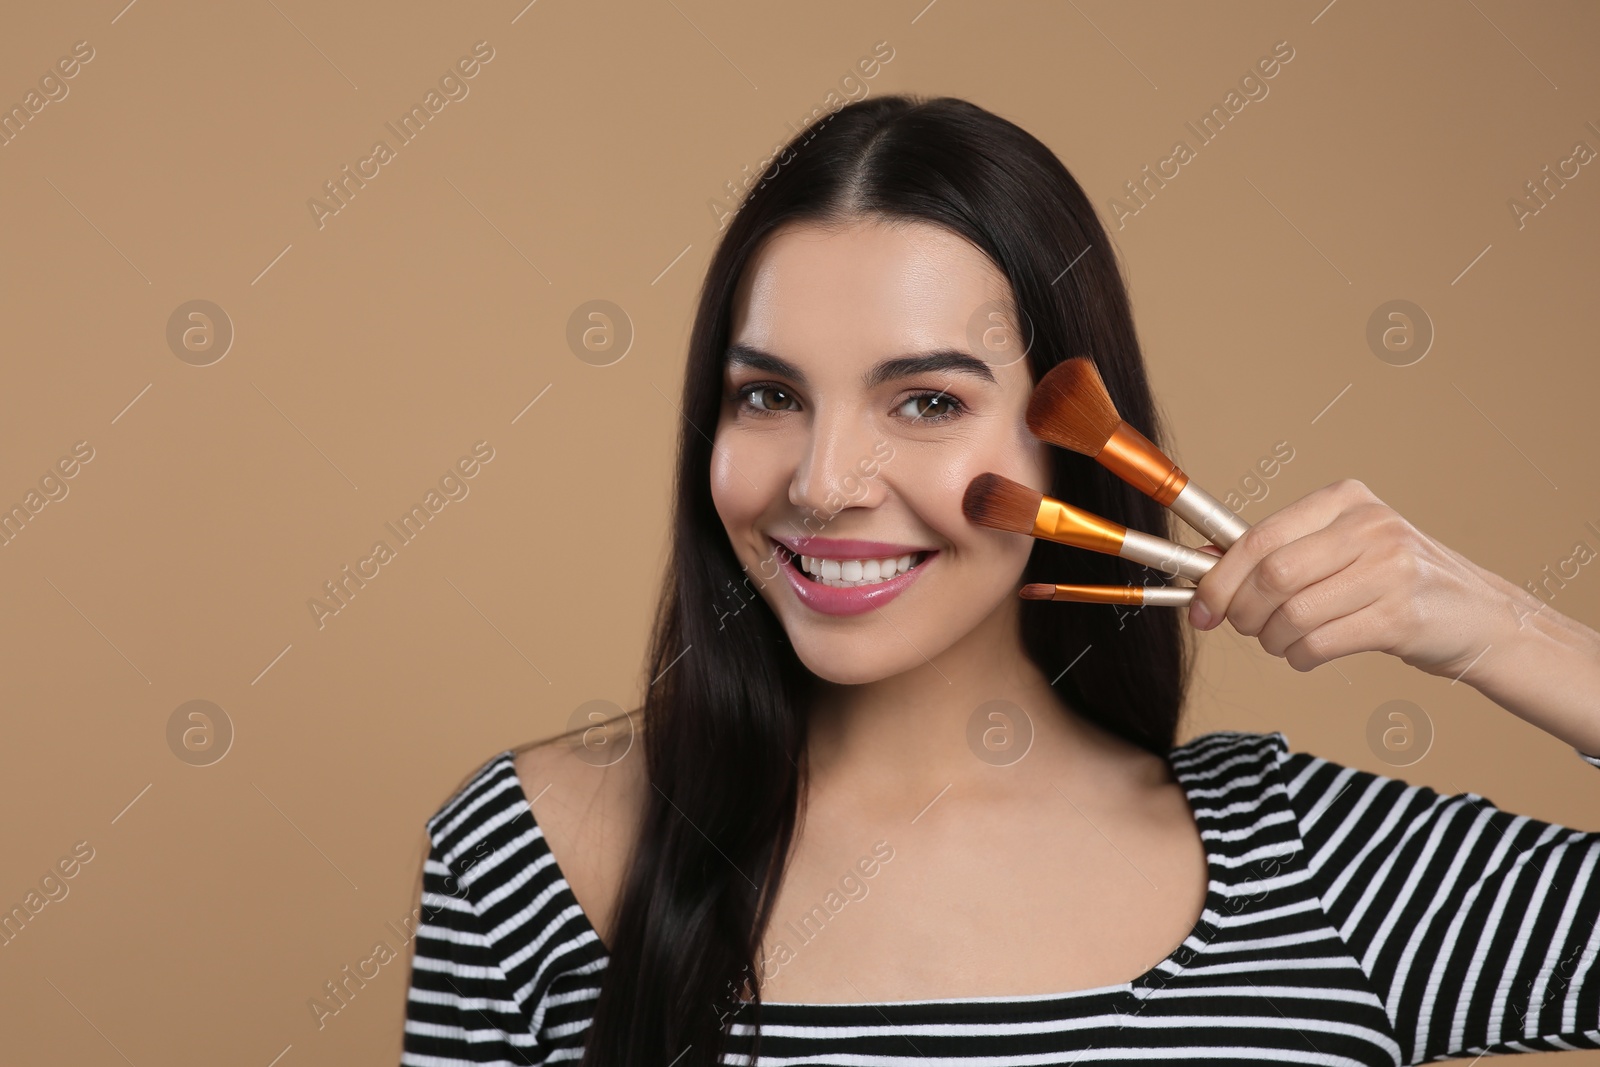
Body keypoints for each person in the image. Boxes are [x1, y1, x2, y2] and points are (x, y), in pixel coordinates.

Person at [398, 94, 1600, 1066]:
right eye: (768, 394)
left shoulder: (1318, 867)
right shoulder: (525, 855)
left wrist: (1499, 628)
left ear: (1064, 435)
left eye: (925, 400)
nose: (823, 482)